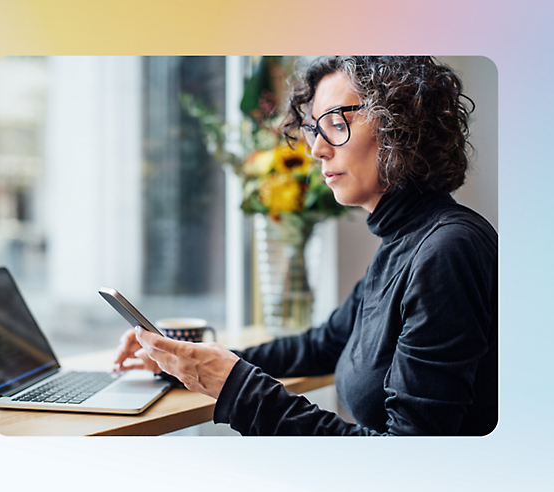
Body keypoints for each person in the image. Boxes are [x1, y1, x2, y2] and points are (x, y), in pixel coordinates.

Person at [113, 56, 498, 436]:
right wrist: (190, 363)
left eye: (336, 123)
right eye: (316, 128)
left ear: (401, 125)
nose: (316, 150)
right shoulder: (404, 243)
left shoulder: (447, 251)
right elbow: (321, 345)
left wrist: (236, 386)